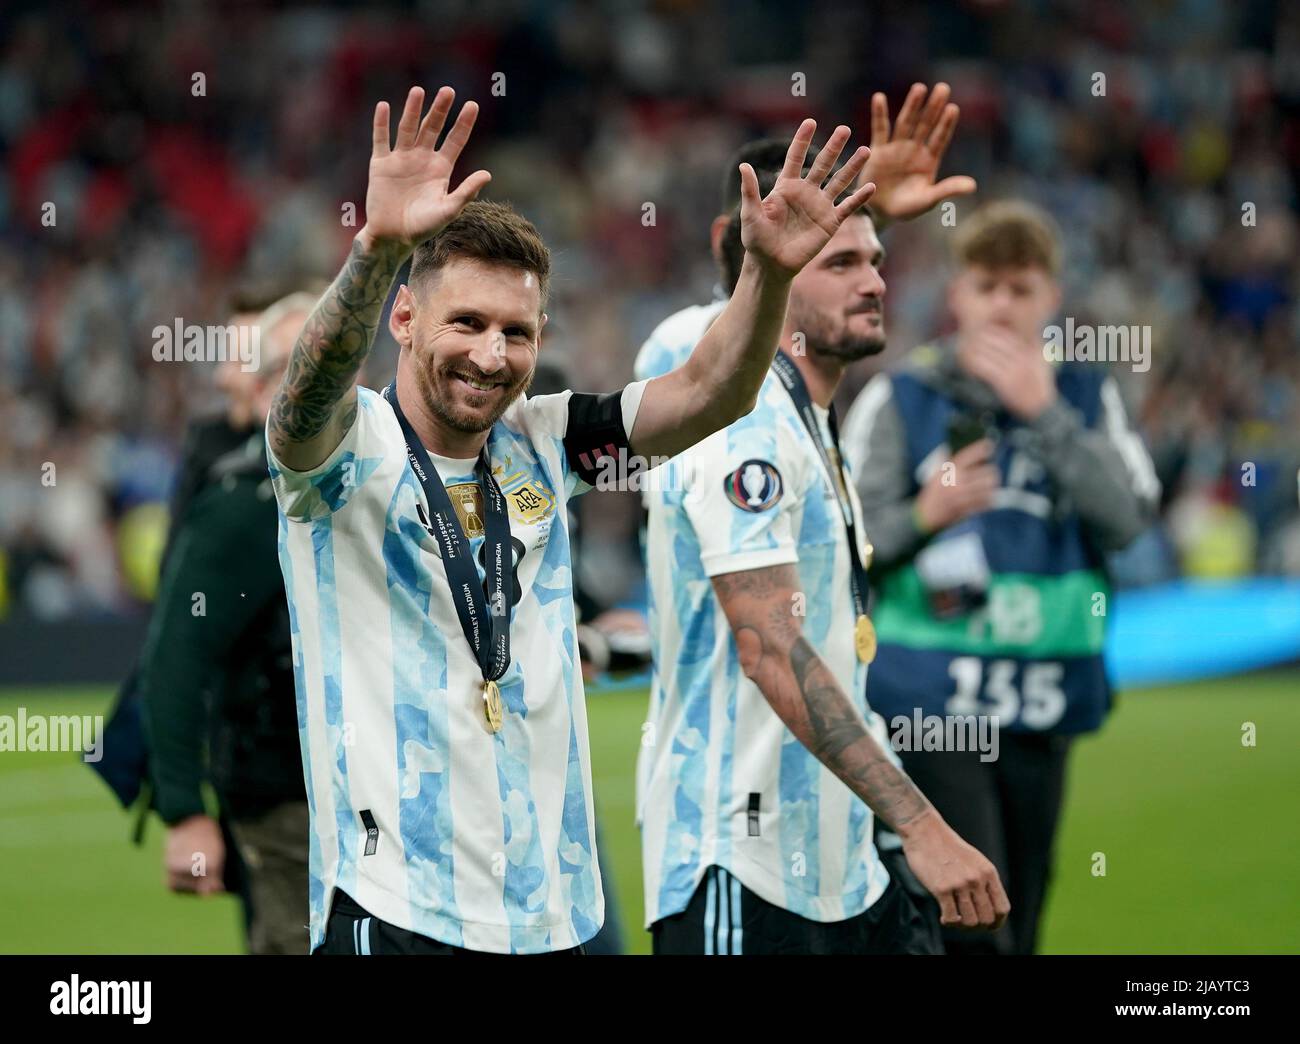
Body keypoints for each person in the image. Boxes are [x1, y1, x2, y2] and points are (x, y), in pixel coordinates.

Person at [265, 84, 877, 955]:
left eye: (517, 331)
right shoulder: (346, 450)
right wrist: (376, 250)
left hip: (556, 916)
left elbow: (710, 395)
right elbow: (300, 405)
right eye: (466, 322)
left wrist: (768, 273)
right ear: (403, 318)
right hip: (400, 911)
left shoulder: (542, 443)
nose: (491, 354)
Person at [638, 85, 1009, 954]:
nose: (876, 280)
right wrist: (922, 825)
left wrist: (850, 203)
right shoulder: (736, 408)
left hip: (840, 867)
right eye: (839, 263)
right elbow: (768, 644)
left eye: (875, 259)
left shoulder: (806, 411)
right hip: (743, 863)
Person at [840, 200, 1160, 954]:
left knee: (1025, 914)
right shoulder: (902, 395)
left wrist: (1045, 415)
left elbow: (1129, 519)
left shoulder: (1084, 395)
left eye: (1022, 289)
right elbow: (841, 544)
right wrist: (924, 514)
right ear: (957, 295)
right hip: (932, 699)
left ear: (1052, 298)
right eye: (987, 287)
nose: (1004, 306)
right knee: (976, 925)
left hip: (1043, 694)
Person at [139, 292, 314, 953]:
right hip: (284, 796)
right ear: (265, 391)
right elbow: (176, 655)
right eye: (303, 369)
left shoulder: (368, 479)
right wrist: (184, 810)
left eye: (339, 366)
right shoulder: (245, 504)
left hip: (367, 795)